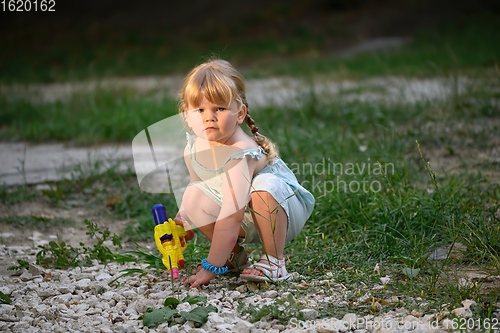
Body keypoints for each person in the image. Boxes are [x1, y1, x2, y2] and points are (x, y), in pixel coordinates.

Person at [173, 59, 314, 289]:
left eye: (219, 108)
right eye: (199, 110)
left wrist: (210, 266)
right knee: (195, 197)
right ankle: (233, 256)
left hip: (281, 210)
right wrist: (183, 218)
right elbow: (195, 184)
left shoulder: (240, 153)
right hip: (245, 212)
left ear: (240, 113)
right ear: (187, 116)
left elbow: (231, 216)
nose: (209, 117)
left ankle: (273, 260)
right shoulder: (194, 148)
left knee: (264, 186)